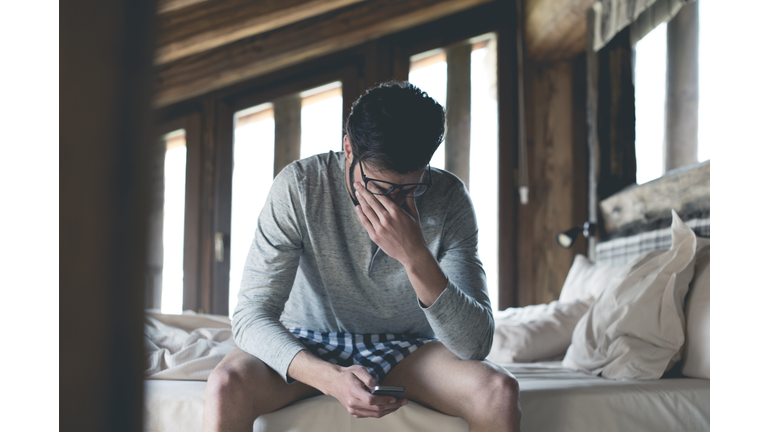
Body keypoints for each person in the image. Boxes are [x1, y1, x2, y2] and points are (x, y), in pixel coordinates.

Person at [203, 80, 521, 432]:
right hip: (309, 338)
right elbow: (250, 316)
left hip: (410, 347)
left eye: (410, 189)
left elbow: (474, 344)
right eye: (378, 188)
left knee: (498, 391)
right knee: (224, 386)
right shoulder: (300, 187)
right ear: (348, 149)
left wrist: (415, 256)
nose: (392, 205)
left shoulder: (449, 198)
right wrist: (328, 378)